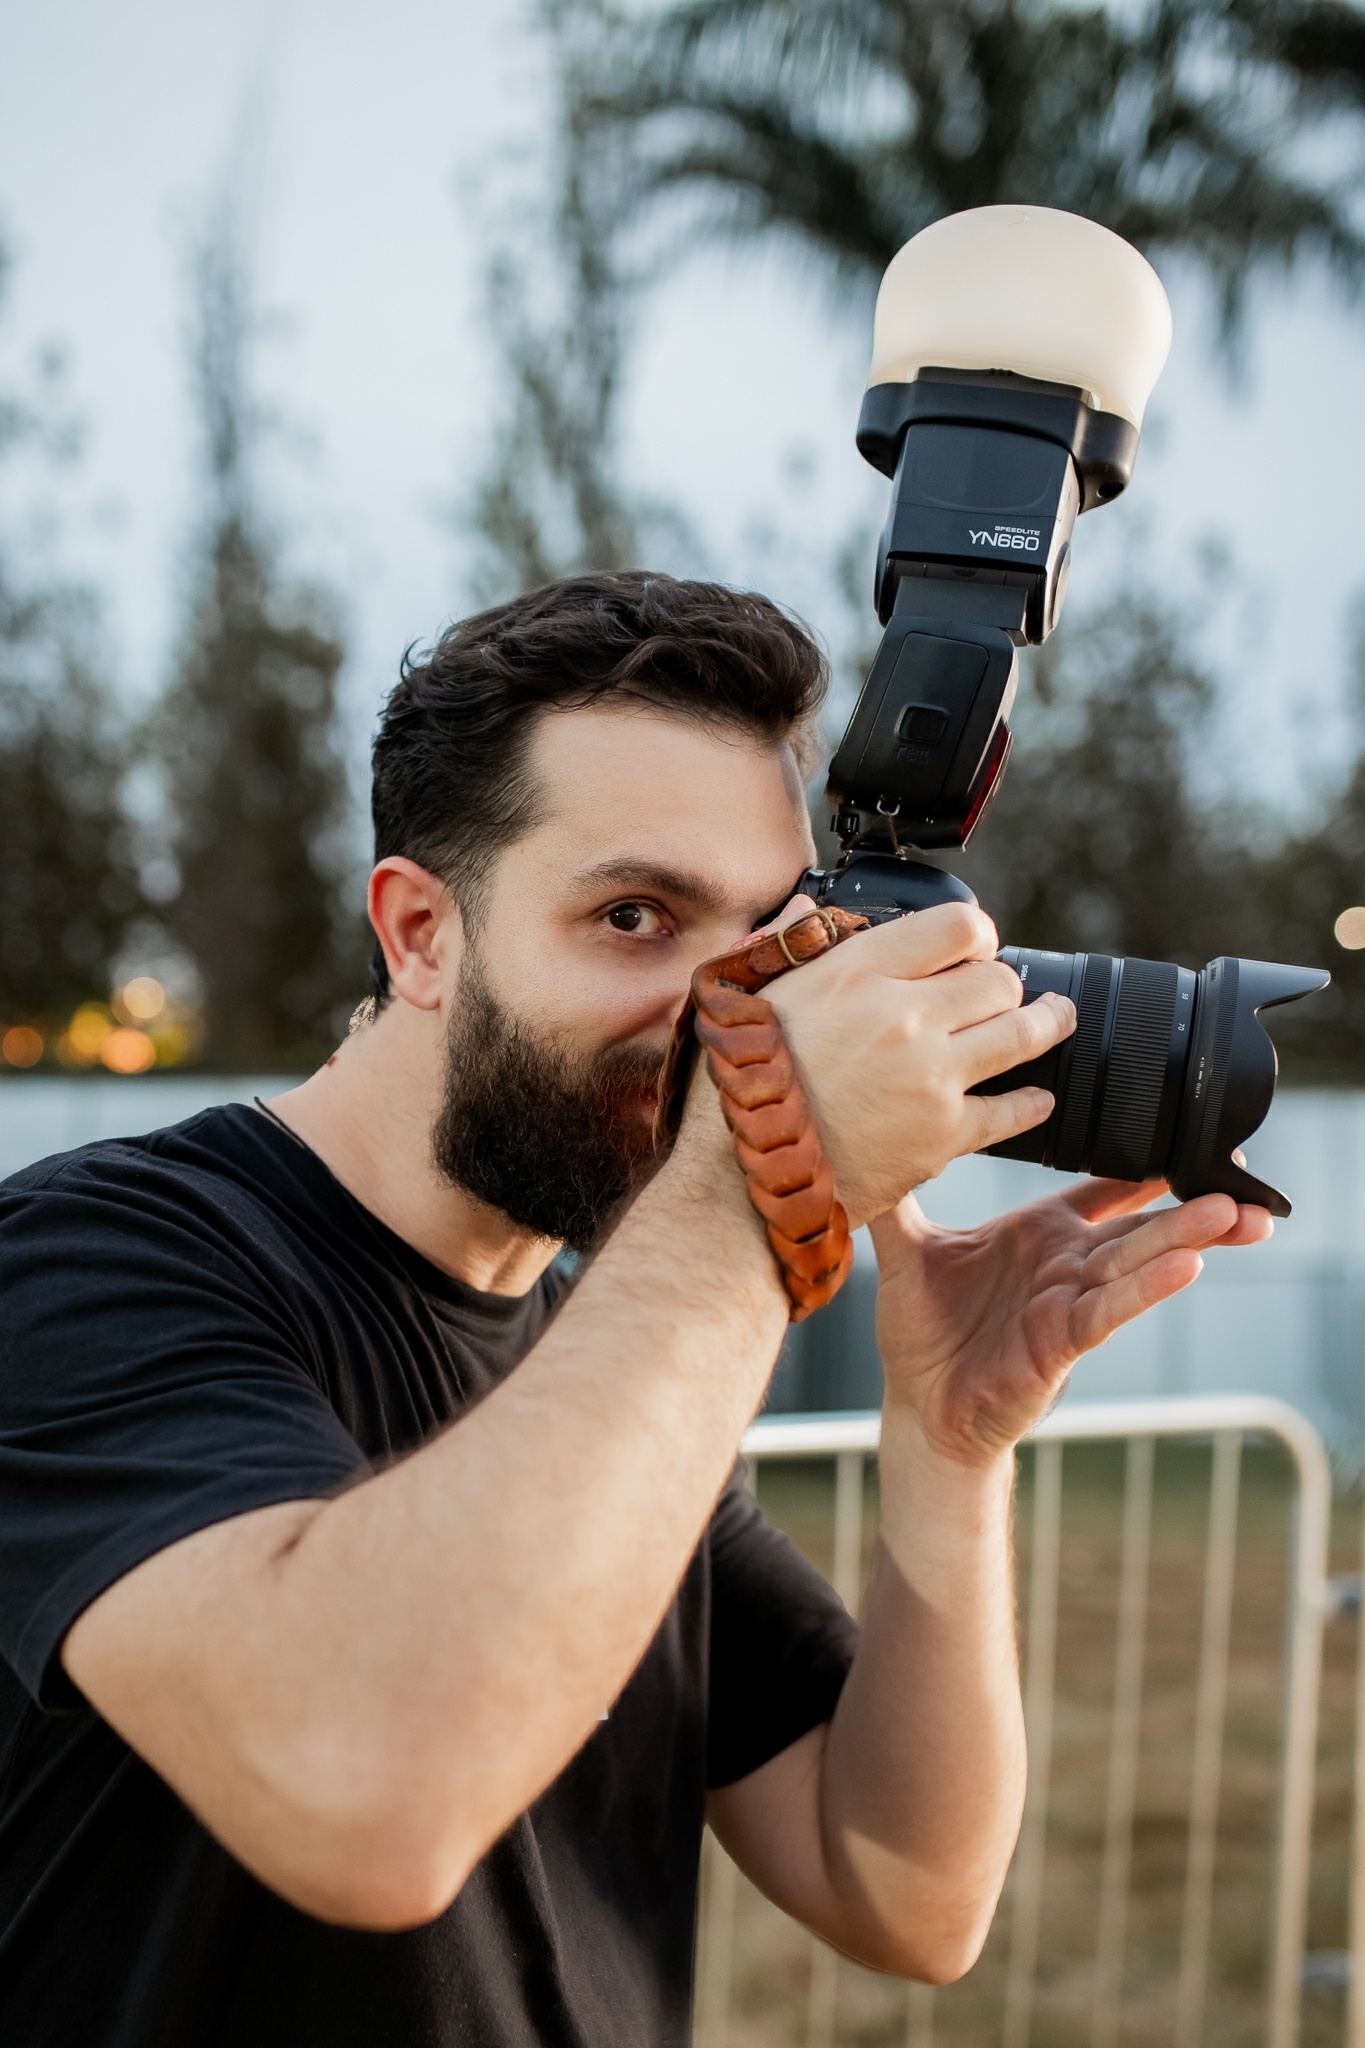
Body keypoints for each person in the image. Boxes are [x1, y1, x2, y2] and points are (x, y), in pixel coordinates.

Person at [0, 573, 1269, 2047]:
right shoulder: (87, 1263)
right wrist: (748, 1191)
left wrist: (948, 1445)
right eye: (633, 916)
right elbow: (366, 1800)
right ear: (420, 935)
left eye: (773, 936)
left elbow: (902, 1891)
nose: (741, 1011)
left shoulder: (599, 1362)